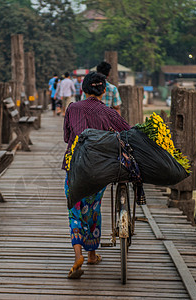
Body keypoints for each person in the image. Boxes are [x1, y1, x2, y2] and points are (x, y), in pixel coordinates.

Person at [63, 72, 131, 279]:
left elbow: (67, 136)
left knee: (75, 211)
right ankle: (92, 254)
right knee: (93, 210)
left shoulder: (72, 108)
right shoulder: (109, 113)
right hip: (98, 170)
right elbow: (127, 134)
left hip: (74, 167)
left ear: (83, 89)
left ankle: (78, 256)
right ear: (104, 91)